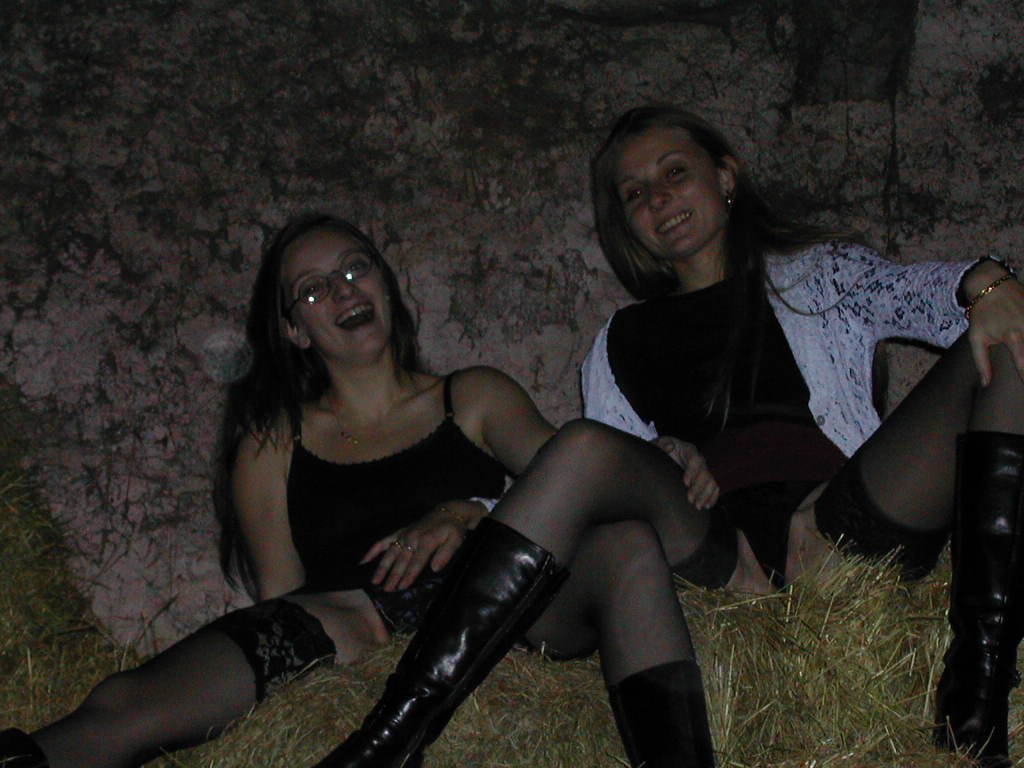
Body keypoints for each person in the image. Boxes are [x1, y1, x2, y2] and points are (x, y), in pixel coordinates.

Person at [0, 213, 747, 768]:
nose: (343, 292)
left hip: (503, 625)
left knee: (622, 539)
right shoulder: (272, 441)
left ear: (386, 285)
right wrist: (324, 673)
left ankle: (394, 737)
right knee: (124, 703)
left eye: (356, 270)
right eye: (314, 290)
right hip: (353, 623)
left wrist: (466, 512)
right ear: (295, 331)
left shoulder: (473, 396)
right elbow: (280, 592)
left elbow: (576, 479)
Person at [582, 104, 1024, 767]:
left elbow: (924, 295)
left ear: (725, 177)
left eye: (675, 173)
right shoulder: (618, 342)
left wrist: (988, 282)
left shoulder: (820, 275)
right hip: (727, 557)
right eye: (635, 193)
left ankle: (976, 693)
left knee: (1007, 338)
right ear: (627, 224)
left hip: (838, 520)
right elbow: (603, 490)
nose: (659, 199)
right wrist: (662, 454)